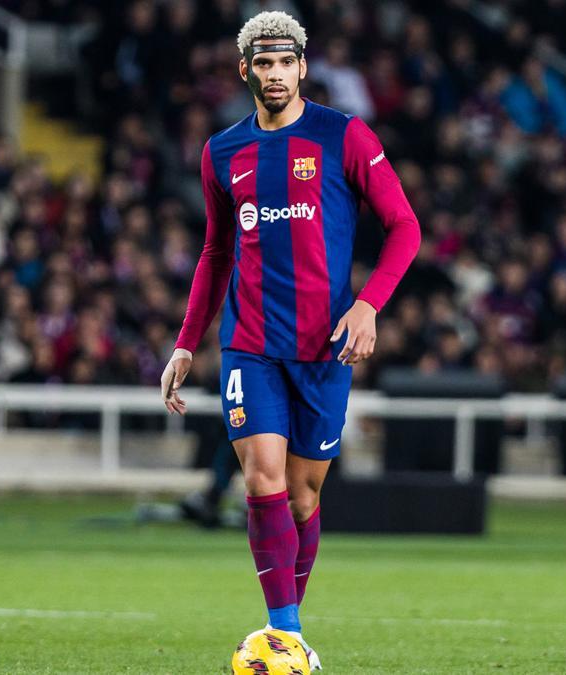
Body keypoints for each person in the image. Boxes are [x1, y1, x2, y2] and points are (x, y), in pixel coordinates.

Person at [159, 11, 420, 670]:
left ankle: (287, 635)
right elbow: (217, 252)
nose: (274, 74)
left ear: (303, 67)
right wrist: (187, 342)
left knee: (304, 495)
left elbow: (405, 227)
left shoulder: (345, 137)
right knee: (262, 477)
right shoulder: (222, 151)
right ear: (245, 69)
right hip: (250, 345)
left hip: (326, 347)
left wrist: (367, 305)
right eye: (262, 63)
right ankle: (287, 637)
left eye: (285, 63)